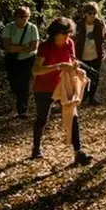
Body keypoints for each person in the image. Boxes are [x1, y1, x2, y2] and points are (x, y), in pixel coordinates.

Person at [30, 17, 93, 165]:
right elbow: (36, 70)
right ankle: (36, 147)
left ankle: (79, 152)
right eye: (64, 34)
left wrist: (74, 66)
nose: (67, 37)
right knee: (42, 118)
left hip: (62, 86)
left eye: (69, 33)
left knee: (73, 115)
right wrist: (58, 66)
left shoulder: (69, 43)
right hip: (43, 88)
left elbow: (70, 61)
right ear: (55, 33)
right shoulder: (45, 46)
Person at [1, 6, 40, 118]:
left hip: (28, 59)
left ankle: (22, 109)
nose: (24, 19)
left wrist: (16, 47)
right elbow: (7, 46)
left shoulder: (32, 28)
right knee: (14, 84)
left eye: (26, 16)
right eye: (21, 17)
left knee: (24, 83)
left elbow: (34, 46)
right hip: (12, 60)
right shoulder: (9, 28)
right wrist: (23, 47)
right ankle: (19, 99)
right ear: (16, 17)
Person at [74, 2, 106, 105]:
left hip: (96, 55)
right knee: (82, 77)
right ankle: (82, 96)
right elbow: (73, 38)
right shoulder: (79, 25)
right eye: (90, 13)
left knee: (95, 77)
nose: (93, 15)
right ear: (85, 13)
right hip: (82, 56)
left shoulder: (100, 23)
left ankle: (92, 98)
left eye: (95, 13)